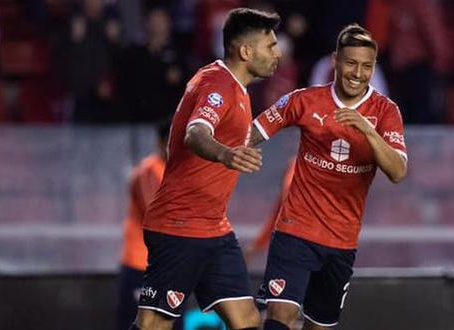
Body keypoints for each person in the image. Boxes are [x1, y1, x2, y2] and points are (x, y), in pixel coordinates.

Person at [131, 8, 281, 330]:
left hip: (214, 228)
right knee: (153, 325)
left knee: (247, 321)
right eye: (270, 46)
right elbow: (195, 133)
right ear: (245, 51)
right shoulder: (218, 85)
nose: (277, 54)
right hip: (180, 224)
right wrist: (226, 156)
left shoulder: (236, 89)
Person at [249, 24, 408, 329]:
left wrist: (367, 131)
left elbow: (398, 172)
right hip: (295, 231)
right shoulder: (304, 100)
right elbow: (252, 132)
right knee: (280, 317)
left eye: (366, 66)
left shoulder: (386, 112)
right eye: (351, 63)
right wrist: (221, 151)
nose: (358, 74)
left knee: (318, 325)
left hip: (342, 241)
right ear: (335, 60)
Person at [115, 121, 170, 330]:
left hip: (164, 264)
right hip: (141, 263)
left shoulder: (174, 171)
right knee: (138, 323)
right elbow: (155, 215)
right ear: (161, 142)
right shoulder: (149, 170)